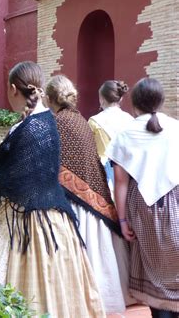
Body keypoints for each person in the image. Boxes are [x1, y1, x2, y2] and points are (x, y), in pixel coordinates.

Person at [0, 61, 104, 317]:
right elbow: (27, 173)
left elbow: (20, 187)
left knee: (9, 295)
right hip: (53, 221)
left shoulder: (30, 127)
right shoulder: (48, 121)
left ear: (13, 89)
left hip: (23, 223)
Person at [45, 75, 132, 313]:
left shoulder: (57, 122)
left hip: (76, 201)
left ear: (50, 98)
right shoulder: (81, 119)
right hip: (98, 192)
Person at [106, 78, 179, 318]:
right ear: (161, 101)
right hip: (176, 205)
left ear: (134, 103)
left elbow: (121, 182)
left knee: (153, 275)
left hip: (146, 210)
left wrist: (123, 220)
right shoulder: (176, 128)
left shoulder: (125, 135)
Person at [88, 80, 134, 190]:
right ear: (120, 98)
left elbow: (88, 151)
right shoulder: (130, 120)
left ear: (101, 99)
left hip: (101, 175)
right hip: (128, 172)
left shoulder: (94, 122)